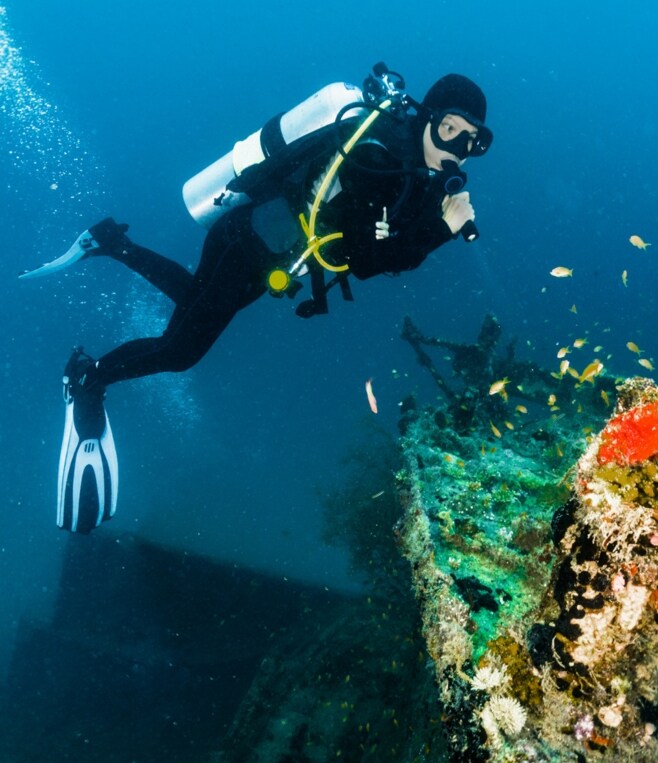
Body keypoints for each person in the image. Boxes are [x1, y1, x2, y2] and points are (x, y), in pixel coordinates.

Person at [22, 65, 493, 533]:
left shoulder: (414, 169)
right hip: (249, 245)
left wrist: (434, 219)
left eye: (469, 141)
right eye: (449, 129)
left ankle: (111, 242)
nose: (455, 148)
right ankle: (88, 377)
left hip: (260, 242)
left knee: (193, 300)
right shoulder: (379, 157)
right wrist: (442, 228)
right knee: (181, 350)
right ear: (426, 118)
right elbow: (368, 259)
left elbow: (381, 243)